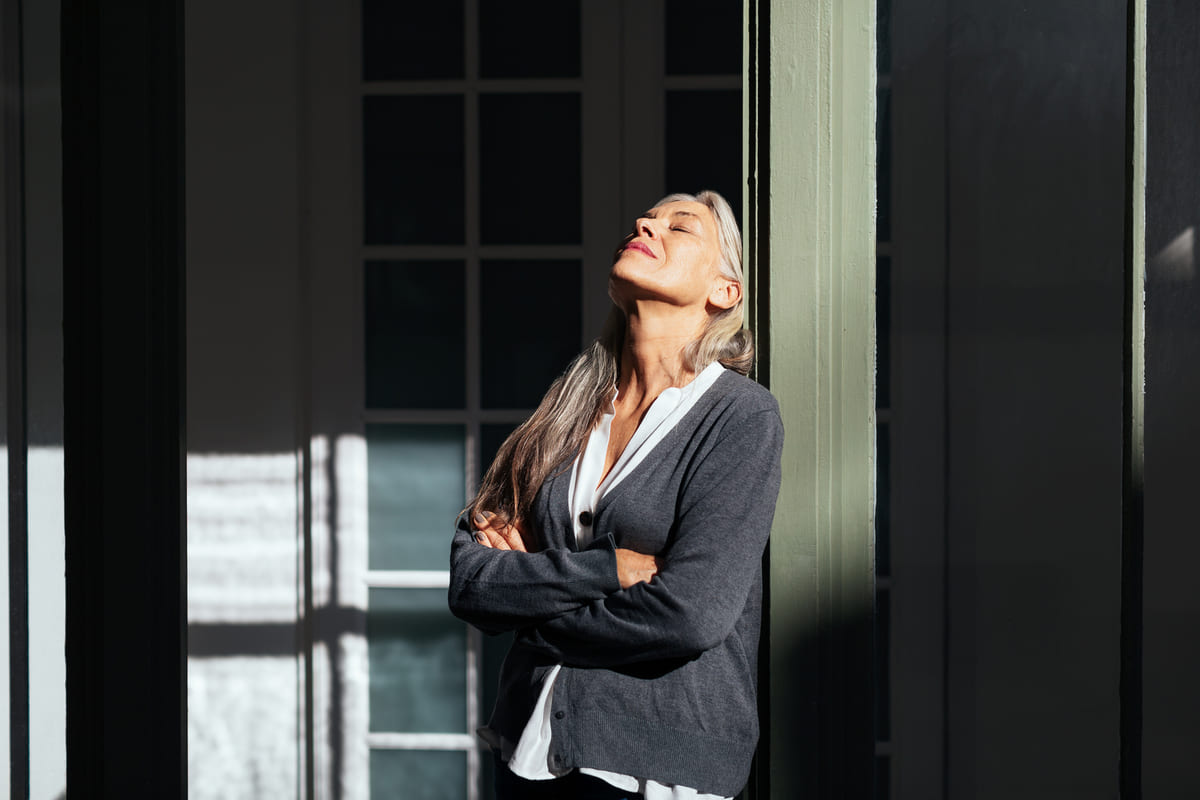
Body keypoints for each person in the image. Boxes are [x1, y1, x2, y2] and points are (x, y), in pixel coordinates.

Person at [448, 190, 784, 800]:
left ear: (723, 292)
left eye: (679, 227)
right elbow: (472, 580)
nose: (645, 224)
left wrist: (531, 604)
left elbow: (689, 615)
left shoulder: (738, 417)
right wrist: (609, 569)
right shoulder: (564, 410)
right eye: (646, 218)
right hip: (528, 753)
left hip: (655, 774)